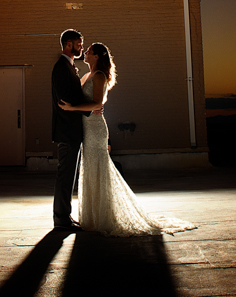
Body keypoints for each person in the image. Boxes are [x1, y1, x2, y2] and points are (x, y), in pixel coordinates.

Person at [59, 42, 196, 236]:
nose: (86, 53)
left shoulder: (99, 76)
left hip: (96, 129)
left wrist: (72, 108)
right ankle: (93, 216)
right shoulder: (86, 76)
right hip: (85, 129)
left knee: (98, 169)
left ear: (97, 56)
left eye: (89, 51)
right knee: (90, 169)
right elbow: (82, 99)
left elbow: (96, 103)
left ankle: (103, 217)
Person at [51, 29, 100, 231]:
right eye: (79, 44)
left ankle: (64, 217)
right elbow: (65, 99)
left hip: (71, 130)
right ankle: (61, 219)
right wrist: (91, 107)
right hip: (67, 130)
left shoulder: (69, 67)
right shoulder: (61, 67)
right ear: (68, 44)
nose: (81, 47)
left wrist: (92, 105)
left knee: (68, 175)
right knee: (65, 175)